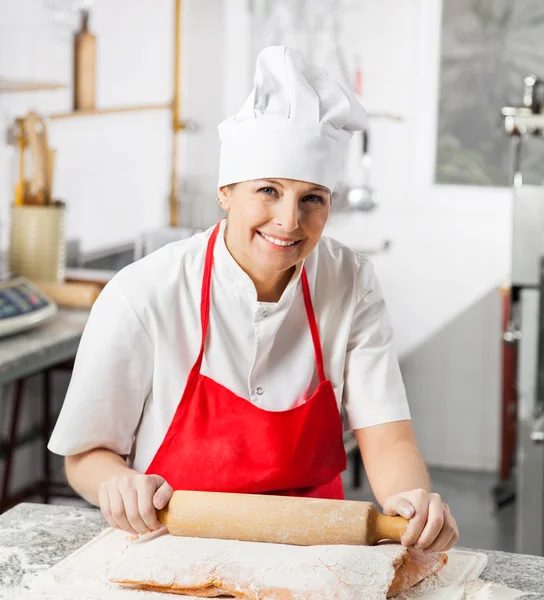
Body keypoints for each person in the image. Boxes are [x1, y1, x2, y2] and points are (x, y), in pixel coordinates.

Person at [49, 45, 459, 553]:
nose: (289, 221)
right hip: (175, 545)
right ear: (226, 191)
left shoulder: (349, 280)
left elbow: (387, 434)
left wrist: (412, 503)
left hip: (317, 551)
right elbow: (85, 456)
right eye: (268, 190)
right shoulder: (144, 293)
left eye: (313, 198)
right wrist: (118, 483)